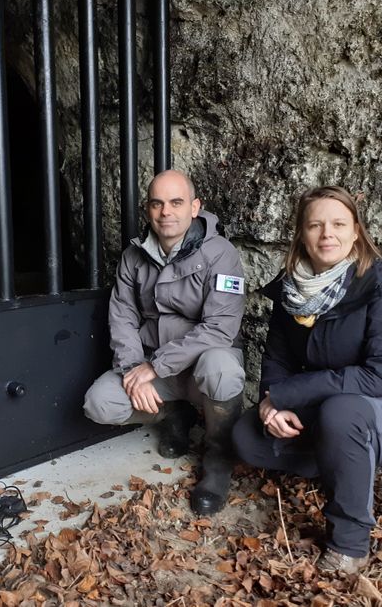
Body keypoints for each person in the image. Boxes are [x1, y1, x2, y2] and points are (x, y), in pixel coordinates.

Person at [231, 185, 382, 573]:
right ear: (302, 234)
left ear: (356, 231)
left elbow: (379, 377)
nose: (327, 234)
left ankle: (350, 544)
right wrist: (271, 404)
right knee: (245, 435)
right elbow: (276, 357)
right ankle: (341, 462)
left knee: (343, 414)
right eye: (316, 225)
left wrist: (286, 395)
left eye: (339, 224)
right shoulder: (292, 290)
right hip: (331, 406)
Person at [83, 169, 246, 515]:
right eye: (157, 204)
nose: (166, 212)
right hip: (153, 365)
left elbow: (219, 327)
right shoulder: (133, 257)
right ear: (147, 210)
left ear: (195, 207)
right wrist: (132, 369)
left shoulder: (221, 254)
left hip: (199, 366)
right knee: (100, 403)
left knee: (222, 371)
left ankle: (218, 460)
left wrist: (153, 366)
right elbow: (122, 317)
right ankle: (173, 416)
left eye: (176, 202)